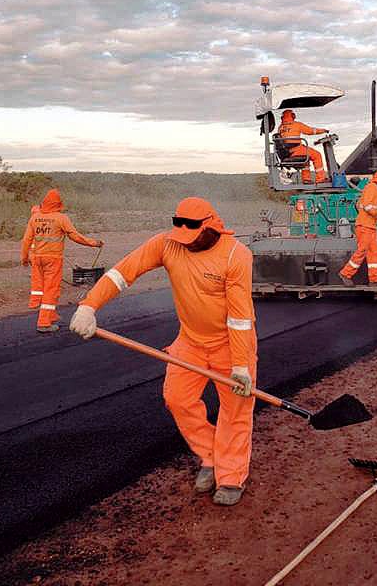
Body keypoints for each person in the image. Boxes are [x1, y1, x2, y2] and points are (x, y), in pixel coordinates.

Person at [70, 197, 257, 506]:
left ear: (212, 229)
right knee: (177, 399)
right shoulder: (167, 244)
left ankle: (231, 477)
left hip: (231, 345)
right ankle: (211, 456)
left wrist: (240, 366)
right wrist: (89, 306)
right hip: (190, 342)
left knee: (235, 411)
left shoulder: (236, 256)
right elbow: (122, 272)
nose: (187, 244)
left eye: (193, 239)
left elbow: (239, 317)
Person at [20, 189, 102, 333]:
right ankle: (44, 323)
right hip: (53, 259)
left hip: (37, 258)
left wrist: (24, 258)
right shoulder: (61, 218)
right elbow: (75, 236)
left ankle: (50, 315)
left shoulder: (35, 218)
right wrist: (93, 243)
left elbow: (26, 240)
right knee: (51, 290)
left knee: (43, 287)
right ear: (58, 204)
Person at [339, 168, 377, 285]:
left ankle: (374, 279)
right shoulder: (373, 188)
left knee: (375, 252)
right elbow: (367, 206)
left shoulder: (370, 188)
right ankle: (345, 274)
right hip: (365, 226)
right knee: (362, 251)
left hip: (370, 226)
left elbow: (359, 205)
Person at [277, 109, 328, 183]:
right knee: (317, 155)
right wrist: (323, 130)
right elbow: (311, 131)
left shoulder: (280, 127)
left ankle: (306, 179)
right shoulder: (297, 124)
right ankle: (320, 179)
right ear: (292, 116)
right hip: (297, 149)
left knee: (306, 159)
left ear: (283, 117)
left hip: (287, 153)